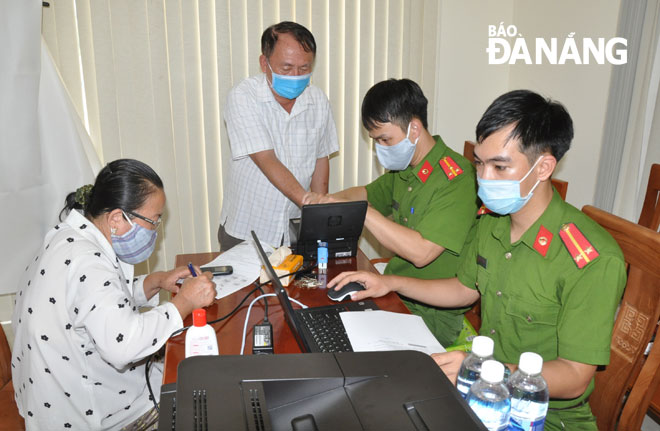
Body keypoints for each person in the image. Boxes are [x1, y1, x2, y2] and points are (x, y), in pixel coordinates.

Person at [328, 90, 627, 430]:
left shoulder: (590, 258)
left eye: (500, 166)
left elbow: (574, 376)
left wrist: (486, 371)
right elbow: (463, 289)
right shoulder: (493, 221)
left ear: (543, 167)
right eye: (480, 164)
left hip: (544, 417)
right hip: (484, 394)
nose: (484, 178)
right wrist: (390, 282)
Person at [12, 159, 217, 430]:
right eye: (154, 221)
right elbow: (125, 345)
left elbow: (96, 305)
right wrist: (184, 303)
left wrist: (155, 282)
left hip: (56, 397)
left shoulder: (69, 236)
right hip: (92, 413)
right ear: (117, 219)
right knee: (211, 400)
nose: (156, 230)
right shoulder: (89, 263)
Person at [304, 78, 478, 347]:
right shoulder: (406, 168)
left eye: (385, 139)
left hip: (431, 313)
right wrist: (330, 200)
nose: (381, 148)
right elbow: (365, 193)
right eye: (376, 141)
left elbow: (422, 253)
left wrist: (364, 213)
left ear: (414, 128)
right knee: (321, 323)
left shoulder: (455, 179)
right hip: (394, 291)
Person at [218, 21, 339, 250]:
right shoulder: (243, 97)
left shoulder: (318, 100)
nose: (296, 75)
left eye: (304, 68)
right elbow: (266, 159)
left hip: (296, 227)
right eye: (286, 68)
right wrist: (307, 201)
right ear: (265, 63)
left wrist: (318, 215)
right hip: (247, 230)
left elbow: (321, 159)